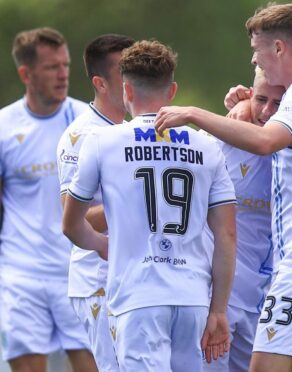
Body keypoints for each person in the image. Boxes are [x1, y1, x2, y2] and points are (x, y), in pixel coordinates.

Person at [155, 4, 292, 372]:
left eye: (257, 53)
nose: (254, 61)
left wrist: (194, 113)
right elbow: (268, 125)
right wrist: (247, 103)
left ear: (278, 49)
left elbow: (265, 142)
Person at [62, 40, 237, 372]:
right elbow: (227, 234)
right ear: (172, 91)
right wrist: (219, 309)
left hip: (138, 298)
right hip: (193, 298)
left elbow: (70, 224)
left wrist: (101, 245)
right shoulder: (207, 146)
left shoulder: (101, 143)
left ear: (126, 89)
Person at [0, 27, 96, 372]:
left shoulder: (89, 121)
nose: (64, 74)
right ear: (26, 74)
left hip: (79, 271)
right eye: (52, 67)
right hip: (21, 275)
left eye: (66, 65)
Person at [57, 34, 134, 372]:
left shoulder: (133, 128)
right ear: (100, 83)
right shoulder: (81, 136)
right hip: (99, 280)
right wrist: (135, 199)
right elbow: (75, 219)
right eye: (125, 72)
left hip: (134, 275)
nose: (134, 80)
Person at [203, 67, 285, 372]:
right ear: (248, 94)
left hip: (271, 299)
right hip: (221, 296)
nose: (266, 111)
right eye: (261, 99)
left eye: (278, 103)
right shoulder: (217, 141)